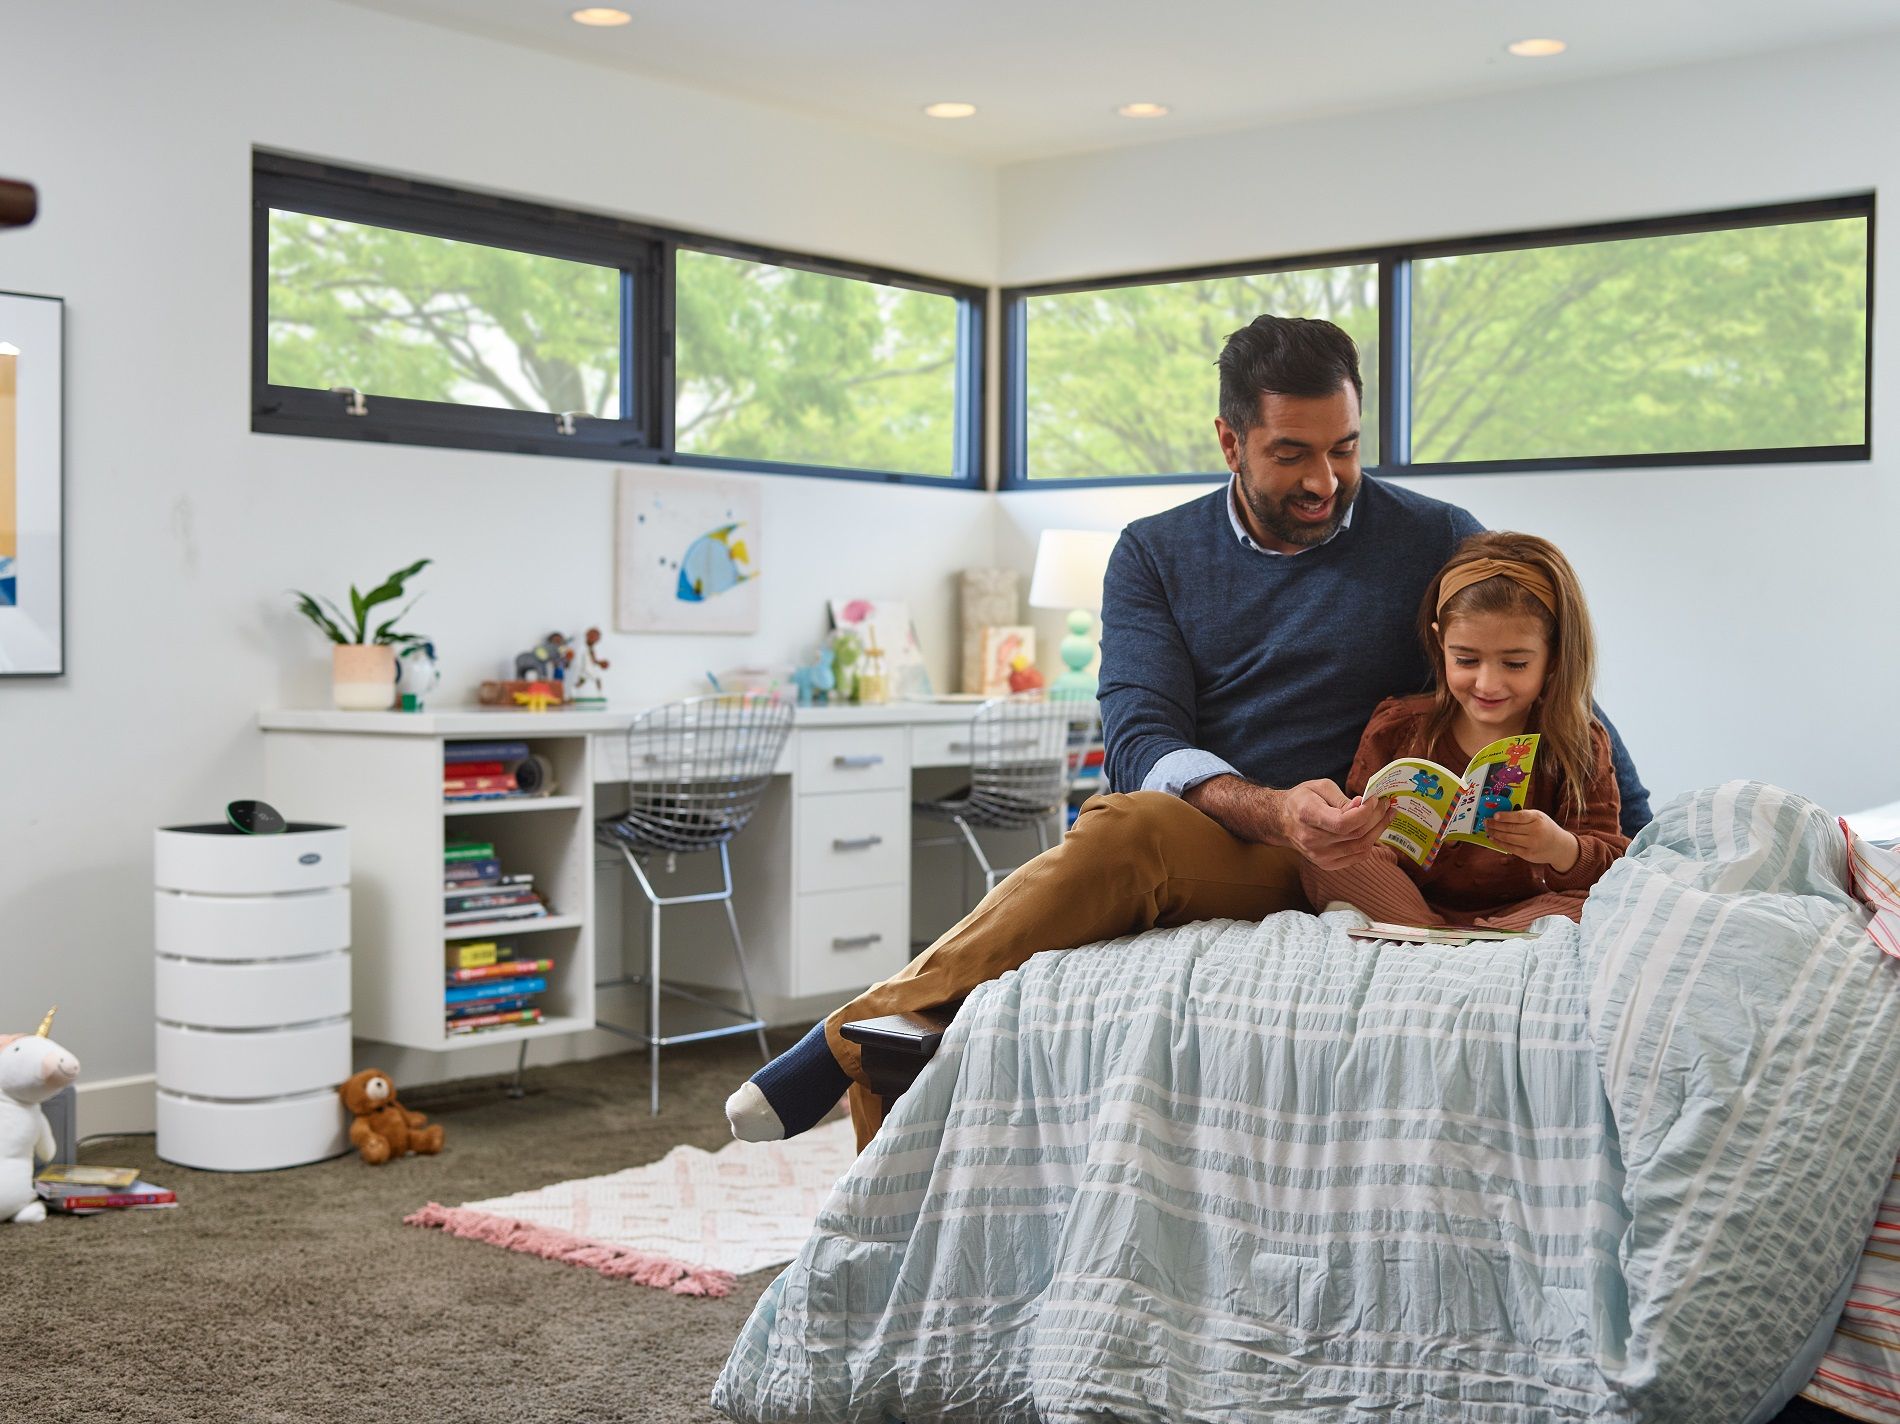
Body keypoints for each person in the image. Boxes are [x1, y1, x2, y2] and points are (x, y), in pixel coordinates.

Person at [726, 314, 1650, 1150]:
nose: (1326, 481)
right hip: (1237, 840)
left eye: (1346, 449)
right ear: (1229, 440)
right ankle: (858, 1040)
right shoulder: (1154, 554)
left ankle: (834, 1041)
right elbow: (1140, 738)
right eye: (1292, 454)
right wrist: (1274, 809)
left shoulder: (1434, 534)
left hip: (1372, 851)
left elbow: (1532, 662)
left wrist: (1637, 832)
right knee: (1124, 827)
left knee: (1121, 837)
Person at [1301, 531, 1627, 928]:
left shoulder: (1580, 744)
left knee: (1606, 898)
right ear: (1441, 644)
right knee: (1324, 861)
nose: (1488, 684)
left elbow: (1614, 861)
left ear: (1554, 656)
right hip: (1409, 898)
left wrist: (1560, 848)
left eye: (1515, 664)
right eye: (1467, 659)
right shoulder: (1398, 727)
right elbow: (1356, 839)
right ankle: (1431, 931)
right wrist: (1359, 827)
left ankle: (1476, 938)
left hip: (1525, 910)